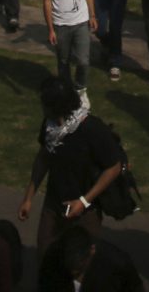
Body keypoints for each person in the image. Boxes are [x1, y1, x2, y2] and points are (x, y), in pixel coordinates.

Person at [20, 78, 126, 257]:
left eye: (45, 104)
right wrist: (28, 198)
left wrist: (84, 202)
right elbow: (43, 158)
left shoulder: (91, 129)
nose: (42, 108)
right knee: (46, 257)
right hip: (54, 204)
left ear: (57, 106)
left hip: (85, 212)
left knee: (82, 263)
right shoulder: (50, 126)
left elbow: (114, 167)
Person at [41, 225, 142, 292]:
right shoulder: (52, 258)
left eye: (79, 271)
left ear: (92, 250)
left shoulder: (118, 263)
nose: (76, 278)